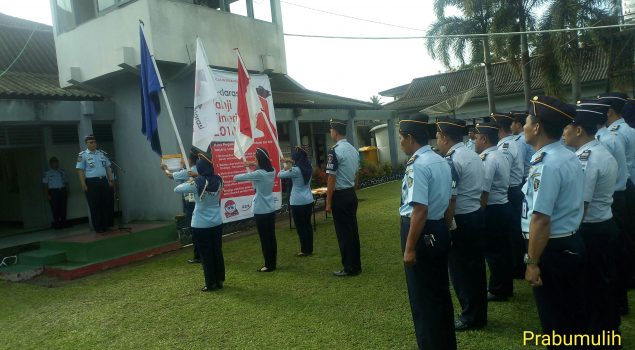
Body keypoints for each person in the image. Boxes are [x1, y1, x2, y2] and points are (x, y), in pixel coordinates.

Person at [522, 95, 586, 341]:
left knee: (556, 324)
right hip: (569, 244)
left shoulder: (546, 164)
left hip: (554, 251)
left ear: (537, 127)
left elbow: (541, 219)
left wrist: (532, 262)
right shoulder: (567, 154)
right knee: (571, 319)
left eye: (527, 121)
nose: (525, 126)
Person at [399, 113, 456, 350]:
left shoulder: (418, 165)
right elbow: (451, 199)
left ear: (410, 137)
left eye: (401, 138)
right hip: (439, 228)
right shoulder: (440, 160)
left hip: (421, 232)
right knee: (440, 293)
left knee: (424, 299)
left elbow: (419, 209)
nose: (400, 142)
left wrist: (410, 248)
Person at [562, 105, 620, 335]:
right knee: (605, 284)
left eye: (566, 127)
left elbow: (581, 205)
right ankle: (607, 330)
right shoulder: (600, 151)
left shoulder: (586, 158)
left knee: (593, 287)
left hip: (591, 230)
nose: (563, 132)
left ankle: (599, 334)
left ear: (578, 130)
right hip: (605, 224)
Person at [435, 117, 487, 331]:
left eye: (438, 136)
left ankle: (469, 317)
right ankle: (478, 314)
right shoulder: (472, 154)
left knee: (462, 272)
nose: (437, 140)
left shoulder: (452, 159)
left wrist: (447, 227)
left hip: (461, 220)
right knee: (476, 269)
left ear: (445, 137)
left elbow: (451, 199)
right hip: (476, 214)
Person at [474, 122, 513, 302]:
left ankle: (498, 289)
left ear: (484, 138)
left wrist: (479, 216)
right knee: (503, 250)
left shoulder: (488, 158)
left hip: (493, 209)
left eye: (476, 137)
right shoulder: (500, 154)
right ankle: (504, 287)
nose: (474, 141)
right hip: (503, 206)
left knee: (494, 252)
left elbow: (484, 192)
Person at [174, 157, 225, 291]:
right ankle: (219, 280)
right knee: (217, 252)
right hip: (216, 222)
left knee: (206, 255)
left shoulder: (198, 182)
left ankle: (210, 283)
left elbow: (177, 189)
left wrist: (191, 179)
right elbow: (207, 180)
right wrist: (196, 177)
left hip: (201, 224)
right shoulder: (218, 179)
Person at [490, 112, 526, 280]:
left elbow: (502, 172)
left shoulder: (505, 147)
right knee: (514, 232)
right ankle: (517, 266)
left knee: (512, 233)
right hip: (515, 189)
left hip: (510, 191)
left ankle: (517, 268)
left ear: (498, 130)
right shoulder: (514, 142)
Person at [325, 119, 361, 277]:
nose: (330, 132)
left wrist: (328, 202)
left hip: (340, 195)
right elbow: (356, 175)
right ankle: (356, 264)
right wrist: (353, 191)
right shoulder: (353, 149)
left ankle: (349, 267)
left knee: (344, 233)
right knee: (352, 231)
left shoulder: (334, 151)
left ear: (335, 131)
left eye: (331, 129)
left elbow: (331, 179)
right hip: (351, 194)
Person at [234, 147, 277, 272]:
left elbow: (237, 178)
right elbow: (262, 166)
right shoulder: (272, 171)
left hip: (260, 210)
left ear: (259, 159)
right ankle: (272, 262)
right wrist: (252, 164)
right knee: (271, 237)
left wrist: (249, 168)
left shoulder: (259, 174)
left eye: (255, 158)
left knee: (264, 238)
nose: (253, 159)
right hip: (270, 208)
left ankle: (268, 265)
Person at [163, 150, 200, 263]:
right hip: (198, 201)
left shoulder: (189, 171)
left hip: (191, 203)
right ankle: (200, 254)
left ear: (189, 160)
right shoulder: (198, 169)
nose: (181, 161)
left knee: (194, 229)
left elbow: (170, 176)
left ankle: (198, 255)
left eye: (183, 159)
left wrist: (164, 168)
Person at [279, 146, 314, 256]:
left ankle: (304, 250)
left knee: (300, 227)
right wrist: (289, 162)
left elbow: (279, 175)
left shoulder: (295, 170)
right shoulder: (308, 167)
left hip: (298, 202)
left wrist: (285, 167)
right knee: (307, 225)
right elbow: (297, 163)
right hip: (308, 199)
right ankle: (309, 248)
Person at [76, 135, 114, 233]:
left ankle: (106, 224)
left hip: (103, 181)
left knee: (106, 203)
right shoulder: (82, 155)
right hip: (92, 182)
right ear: (86, 144)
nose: (93, 144)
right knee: (95, 205)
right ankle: (98, 227)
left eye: (94, 142)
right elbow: (80, 170)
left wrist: (110, 180)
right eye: (91, 142)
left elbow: (108, 167)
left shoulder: (102, 154)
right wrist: (83, 184)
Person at [43, 157, 69, 229]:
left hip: (62, 190)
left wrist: (67, 191)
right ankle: (57, 224)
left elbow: (66, 182)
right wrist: (47, 194)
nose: (56, 164)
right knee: (55, 208)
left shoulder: (62, 172)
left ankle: (64, 223)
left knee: (63, 208)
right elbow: (45, 185)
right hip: (53, 192)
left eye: (57, 163)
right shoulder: (47, 173)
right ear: (51, 164)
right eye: (54, 163)